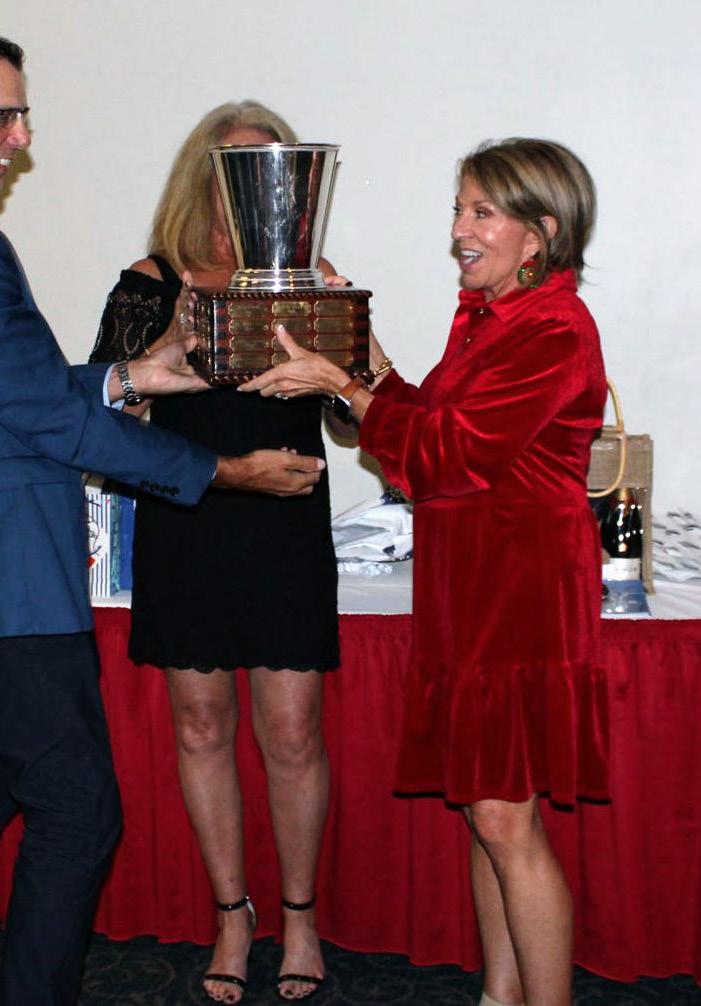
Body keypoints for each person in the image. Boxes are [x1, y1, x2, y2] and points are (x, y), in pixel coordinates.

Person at [0, 26, 326, 1006]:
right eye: (3, 114)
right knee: (78, 810)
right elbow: (45, 420)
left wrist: (132, 375)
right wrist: (222, 469)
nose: (20, 137)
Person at [242, 138, 607, 1006]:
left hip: (518, 592)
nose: (458, 232)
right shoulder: (492, 320)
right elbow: (419, 419)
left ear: (538, 234)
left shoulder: (553, 328)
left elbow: (444, 456)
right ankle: (500, 995)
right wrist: (352, 343)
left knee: (504, 818)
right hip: (473, 584)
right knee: (489, 812)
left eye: (481, 213)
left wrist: (343, 385)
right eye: (458, 210)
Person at [88, 101, 338, 1003]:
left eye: (267, 169)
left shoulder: (307, 279)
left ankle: (300, 918)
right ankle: (232, 915)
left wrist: (343, 335)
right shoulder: (150, 281)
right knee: (199, 727)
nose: (250, 187)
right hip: (188, 519)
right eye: (234, 167)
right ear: (204, 176)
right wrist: (165, 345)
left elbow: (356, 422)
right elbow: (103, 412)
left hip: (286, 523)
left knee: (292, 733)